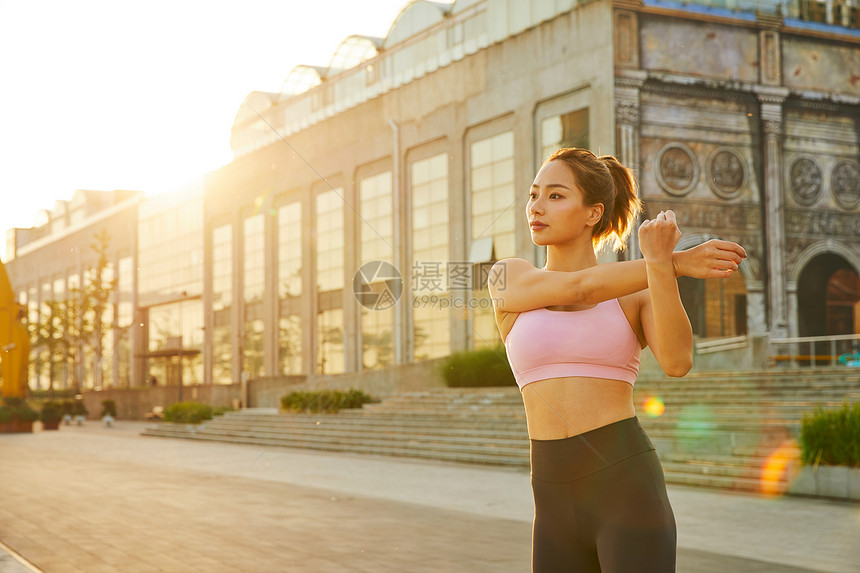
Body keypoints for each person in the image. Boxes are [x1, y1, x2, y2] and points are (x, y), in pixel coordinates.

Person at [488, 148, 746, 572]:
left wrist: (661, 269)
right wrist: (676, 262)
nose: (536, 206)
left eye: (555, 196)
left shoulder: (636, 290)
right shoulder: (508, 276)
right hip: (551, 500)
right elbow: (579, 290)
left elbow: (678, 361)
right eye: (534, 195)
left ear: (593, 213)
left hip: (626, 488)